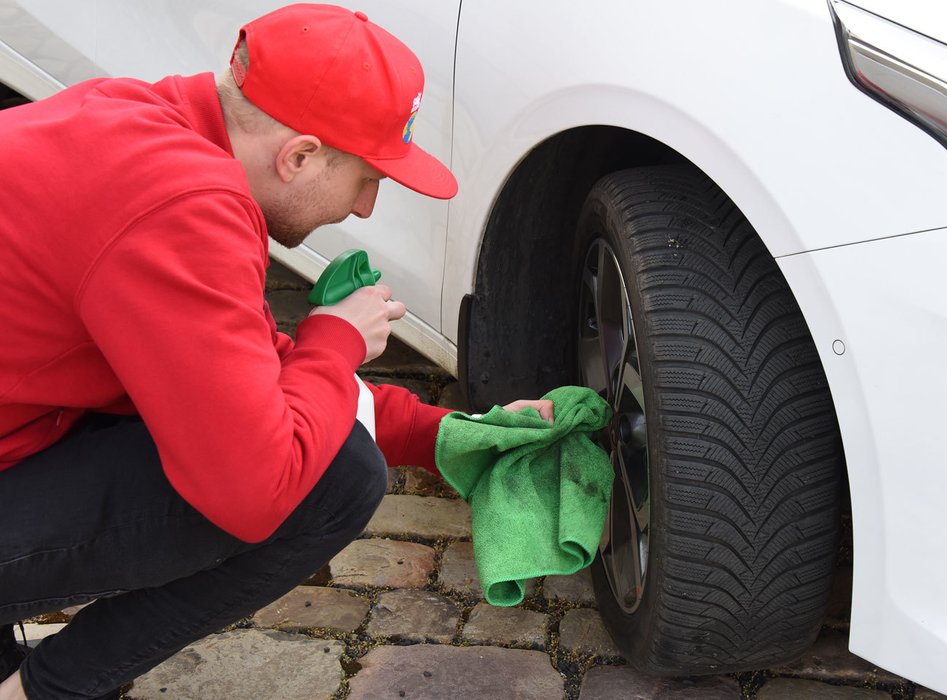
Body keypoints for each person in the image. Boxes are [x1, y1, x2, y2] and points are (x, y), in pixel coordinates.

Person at [0, 5, 551, 699]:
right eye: (367, 176)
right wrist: (337, 338)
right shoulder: (182, 204)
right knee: (331, 480)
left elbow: (244, 371)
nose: (367, 208)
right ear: (299, 156)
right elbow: (256, 492)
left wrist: (456, 434)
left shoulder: (133, 122)